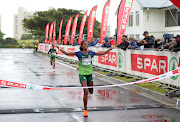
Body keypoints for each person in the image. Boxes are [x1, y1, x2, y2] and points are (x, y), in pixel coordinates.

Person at [55, 41, 116, 117]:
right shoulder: (79, 53)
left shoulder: (91, 53)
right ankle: (85, 110)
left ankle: (87, 97)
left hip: (89, 74)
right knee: (86, 90)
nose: (86, 45)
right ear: (82, 46)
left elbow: (102, 53)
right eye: (84, 44)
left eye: (87, 44)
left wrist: (110, 48)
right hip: (82, 74)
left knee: (91, 91)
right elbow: (67, 53)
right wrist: (58, 47)